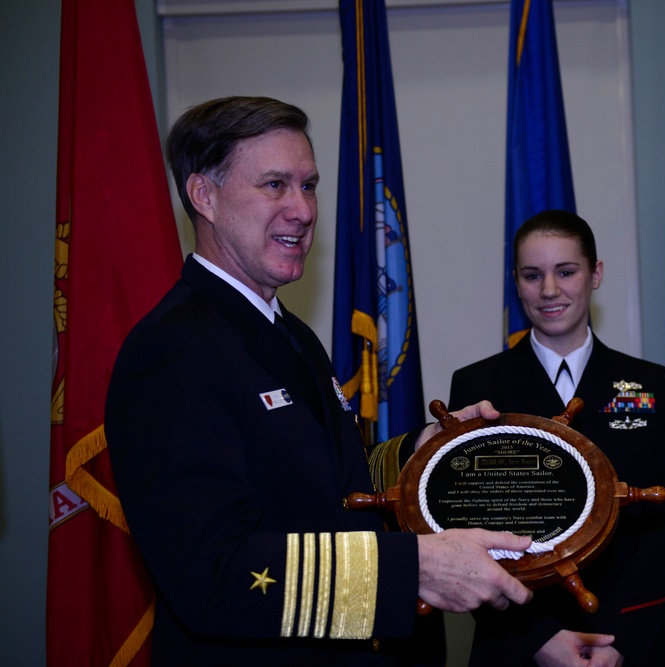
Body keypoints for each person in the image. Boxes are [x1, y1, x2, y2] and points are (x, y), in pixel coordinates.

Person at [105, 96, 532, 666]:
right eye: (275, 185)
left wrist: (416, 456)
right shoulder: (171, 351)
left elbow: (319, 486)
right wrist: (415, 567)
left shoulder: (290, 333)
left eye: (308, 186)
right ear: (203, 195)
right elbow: (213, 575)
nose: (303, 210)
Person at [446, 210, 665, 667]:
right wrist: (538, 639)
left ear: (595, 274)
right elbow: (464, 530)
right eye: (532, 275)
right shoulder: (477, 388)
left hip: (632, 640)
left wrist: (620, 637)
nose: (548, 290)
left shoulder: (648, 384)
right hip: (517, 642)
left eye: (566, 271)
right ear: (516, 281)